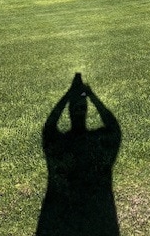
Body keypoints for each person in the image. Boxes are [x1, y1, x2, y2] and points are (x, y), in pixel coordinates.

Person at [36, 74, 121, 236]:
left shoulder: (61, 145)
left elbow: (49, 126)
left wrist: (67, 97)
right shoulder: (97, 142)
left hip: (63, 219)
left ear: (70, 111)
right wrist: (93, 97)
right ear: (86, 109)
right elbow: (114, 128)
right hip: (99, 219)